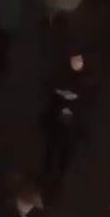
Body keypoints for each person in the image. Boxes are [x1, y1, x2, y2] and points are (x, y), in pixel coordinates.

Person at [40, 49, 91, 203]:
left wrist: (74, 103)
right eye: (74, 60)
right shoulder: (60, 74)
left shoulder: (88, 79)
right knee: (52, 149)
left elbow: (90, 101)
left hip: (73, 125)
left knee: (66, 152)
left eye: (79, 60)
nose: (76, 63)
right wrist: (60, 94)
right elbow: (49, 88)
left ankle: (58, 178)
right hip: (57, 122)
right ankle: (48, 175)